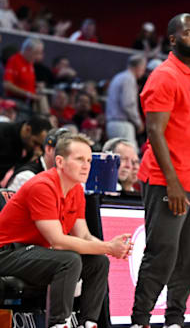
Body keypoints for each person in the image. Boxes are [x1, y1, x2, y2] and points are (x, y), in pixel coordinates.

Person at [130, 14, 190, 328]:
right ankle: (140, 319)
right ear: (172, 40)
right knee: (163, 253)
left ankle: (175, 319)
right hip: (165, 180)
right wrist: (172, 183)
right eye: (189, 32)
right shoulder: (163, 76)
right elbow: (154, 132)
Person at [0, 134, 132, 328]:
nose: (86, 165)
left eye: (88, 160)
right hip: (8, 254)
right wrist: (108, 247)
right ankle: (59, 323)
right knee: (69, 260)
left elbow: (84, 235)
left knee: (99, 262)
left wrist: (111, 248)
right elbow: (58, 241)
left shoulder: (76, 189)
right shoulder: (42, 186)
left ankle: (88, 322)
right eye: (79, 159)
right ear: (60, 161)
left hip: (36, 253)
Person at [105, 54, 146, 146]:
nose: (143, 72)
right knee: (130, 156)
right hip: (122, 124)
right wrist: (138, 122)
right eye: (143, 69)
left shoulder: (118, 77)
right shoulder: (129, 79)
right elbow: (128, 104)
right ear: (139, 67)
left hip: (112, 123)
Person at [0, 115, 52, 183]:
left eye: (40, 146)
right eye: (35, 143)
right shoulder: (2, 132)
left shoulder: (27, 145)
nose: (37, 149)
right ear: (28, 129)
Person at [3, 37, 43, 101]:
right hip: (16, 100)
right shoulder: (14, 60)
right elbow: (7, 85)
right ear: (27, 50)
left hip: (28, 101)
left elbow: (24, 82)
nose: (38, 57)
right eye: (36, 53)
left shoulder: (30, 62)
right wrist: (28, 94)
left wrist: (36, 85)